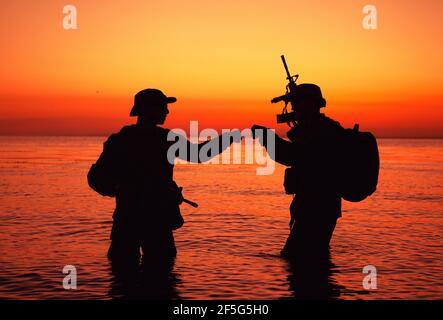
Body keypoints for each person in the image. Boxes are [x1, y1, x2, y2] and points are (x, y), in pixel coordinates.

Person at [88, 88, 240, 268]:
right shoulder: (161, 139)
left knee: (124, 280)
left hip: (133, 220)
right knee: (159, 278)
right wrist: (229, 138)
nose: (167, 111)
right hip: (150, 221)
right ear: (148, 109)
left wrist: (119, 190)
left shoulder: (122, 140)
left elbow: (95, 178)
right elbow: (199, 154)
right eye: (163, 107)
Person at [252, 84, 343, 260]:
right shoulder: (321, 128)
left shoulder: (320, 131)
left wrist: (266, 137)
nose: (293, 109)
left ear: (309, 105)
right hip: (317, 206)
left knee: (297, 258)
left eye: (296, 104)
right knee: (314, 259)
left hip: (317, 207)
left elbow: (292, 156)